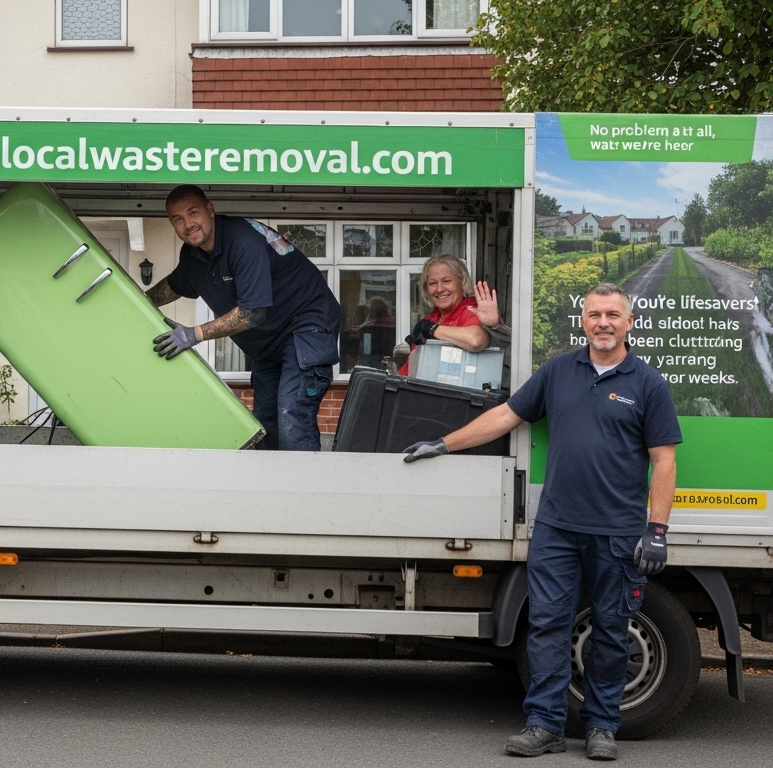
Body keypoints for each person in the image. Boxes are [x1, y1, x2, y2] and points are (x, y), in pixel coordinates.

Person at [402, 283, 679, 761]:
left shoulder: (647, 383)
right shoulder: (558, 371)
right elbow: (506, 416)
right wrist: (445, 444)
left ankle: (602, 727)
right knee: (548, 627)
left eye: (613, 314)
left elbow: (664, 461)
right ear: (584, 321)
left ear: (630, 322)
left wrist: (657, 531)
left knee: (612, 630)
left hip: (617, 532)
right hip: (557, 528)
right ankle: (545, 725)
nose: (603, 323)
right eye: (594, 314)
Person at [146, 185, 341, 451]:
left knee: (291, 416)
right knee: (265, 424)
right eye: (177, 219)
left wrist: (195, 334)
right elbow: (173, 286)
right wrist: (135, 301)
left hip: (305, 328)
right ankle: (271, 490)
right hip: (267, 345)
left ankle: (304, 491)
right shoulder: (192, 256)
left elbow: (252, 313)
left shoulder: (243, 242)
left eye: (193, 213)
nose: (187, 224)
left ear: (210, 210)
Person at [398, 254, 491, 376]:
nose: (439, 289)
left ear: (462, 281)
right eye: (432, 283)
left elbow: (476, 340)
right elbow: (408, 371)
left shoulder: (472, 310)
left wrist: (432, 329)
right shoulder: (431, 318)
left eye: (446, 281)